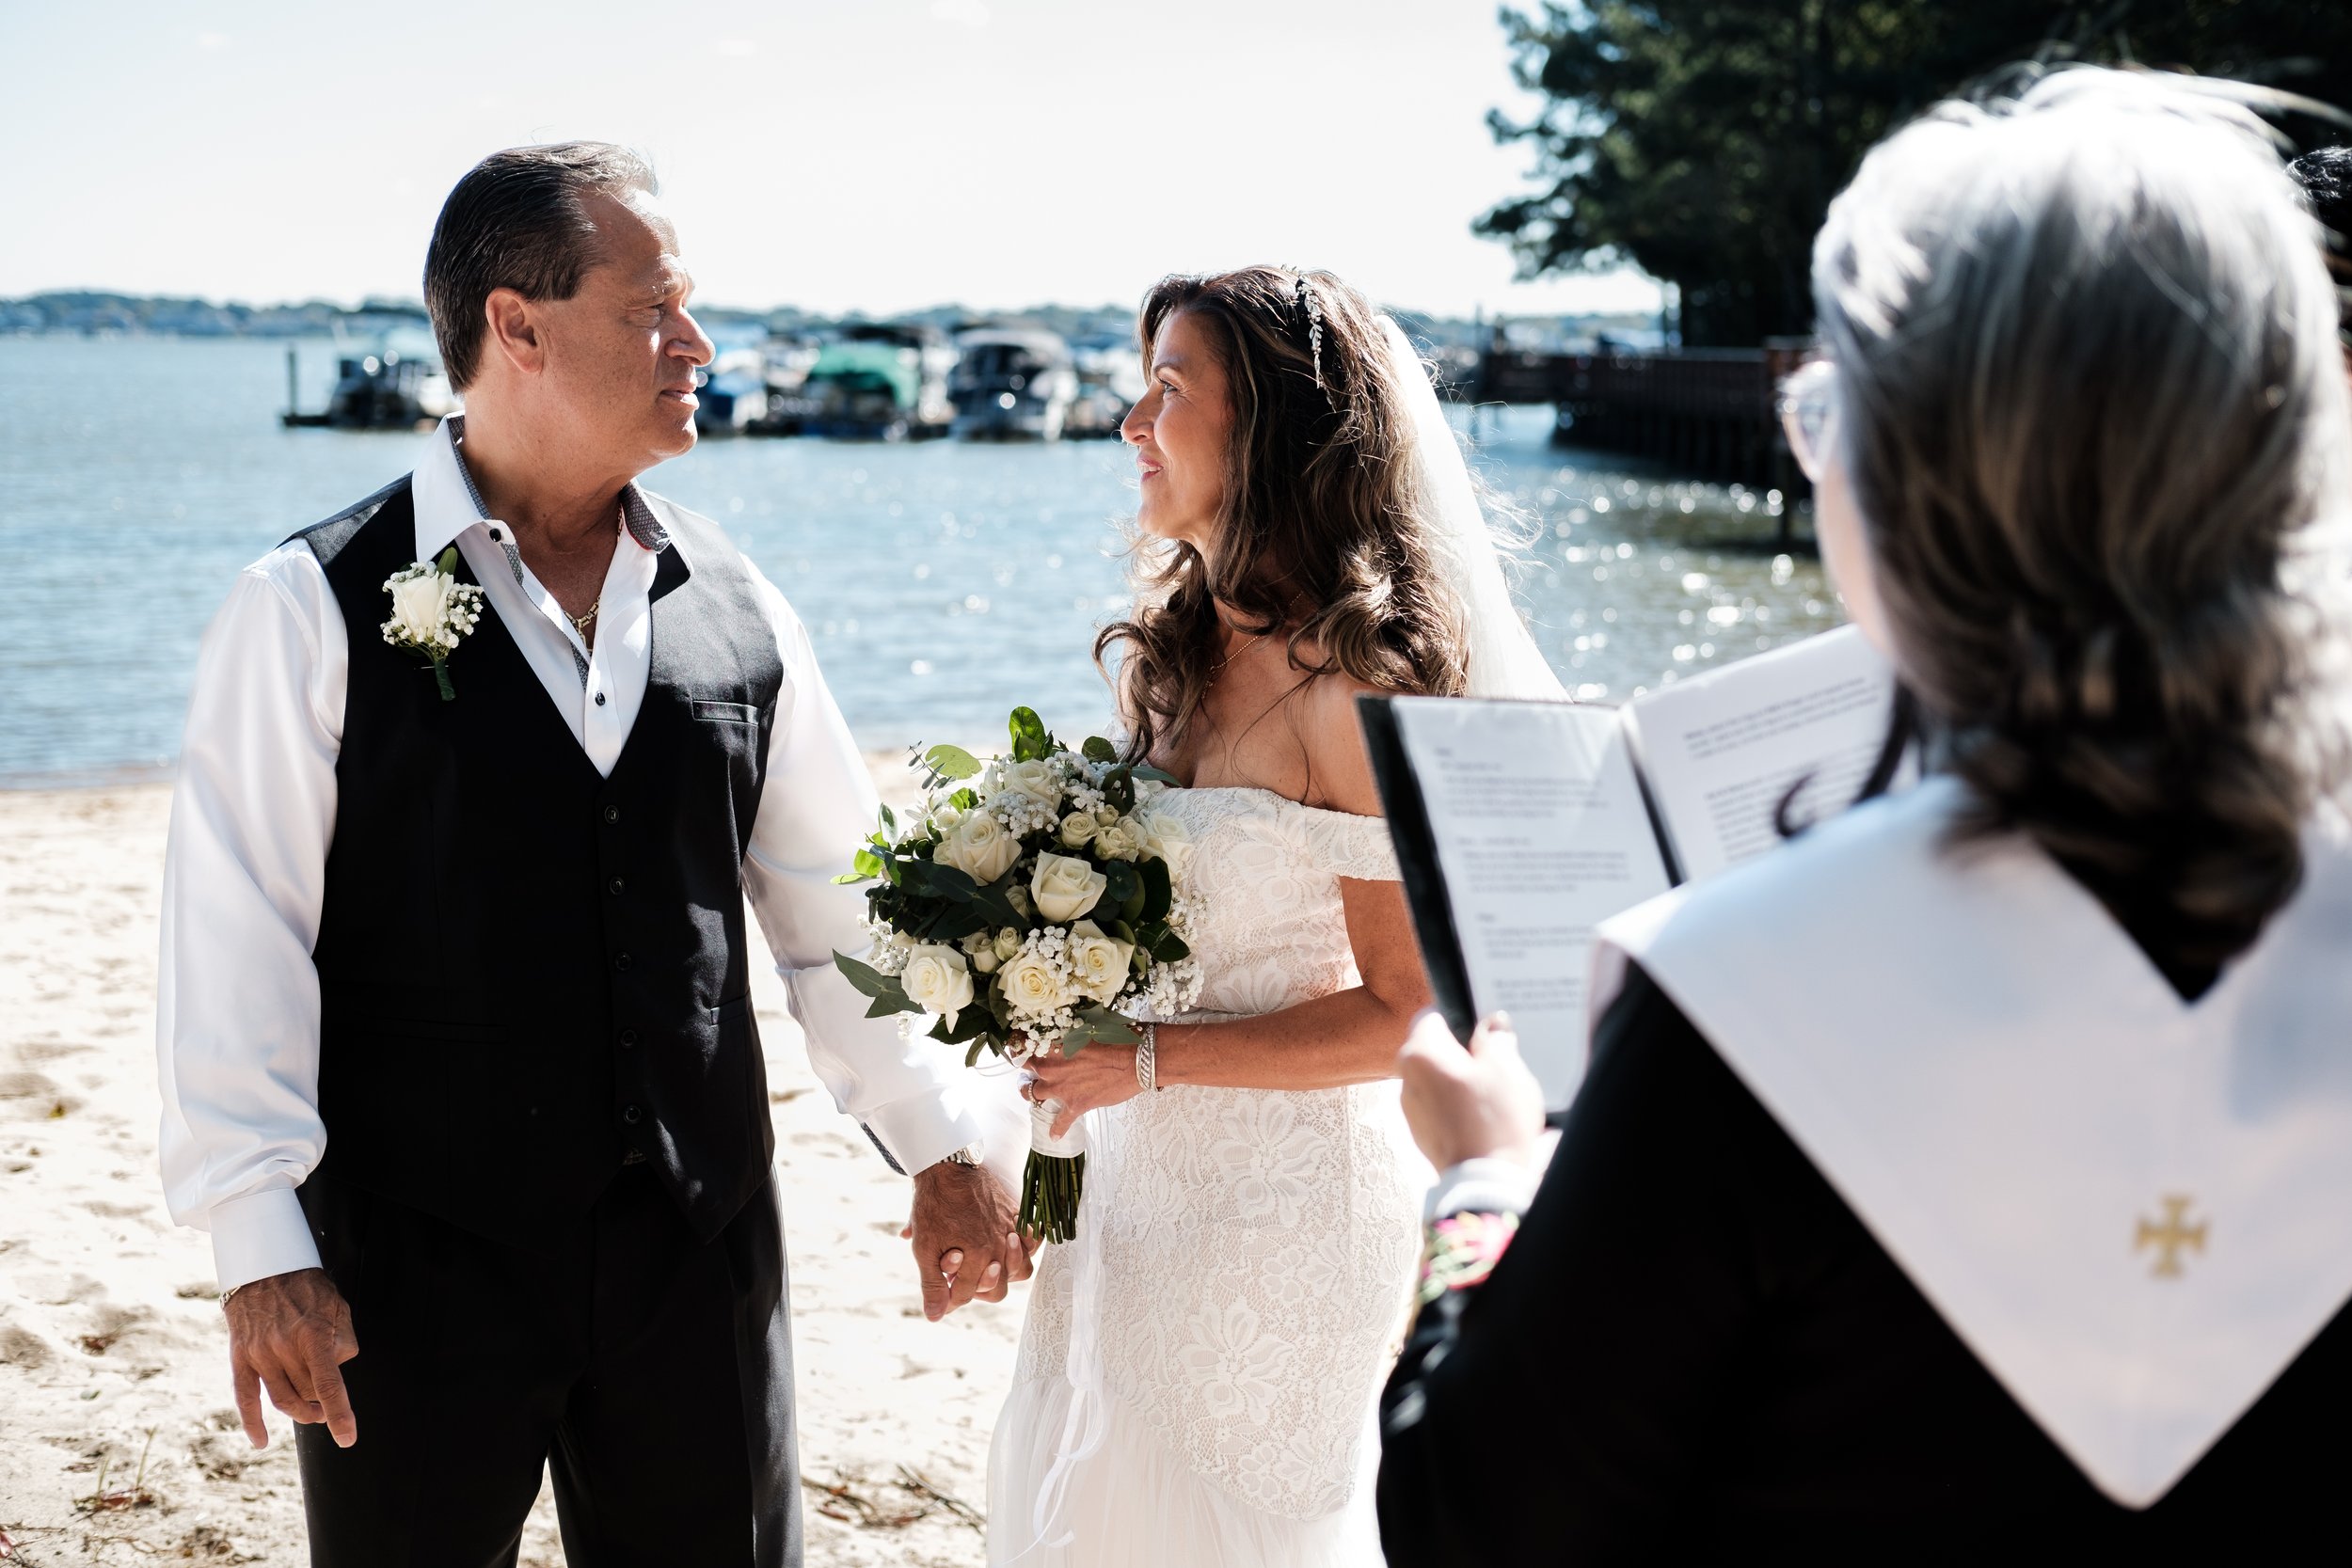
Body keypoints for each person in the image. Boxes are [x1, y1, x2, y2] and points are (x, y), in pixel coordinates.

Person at [1377, 67, 2352, 1560]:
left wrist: (1486, 1180)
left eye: (1831, 412)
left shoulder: (1745, 1000)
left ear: (1923, 482)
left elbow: (1485, 1523)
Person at [156, 142, 1027, 1568]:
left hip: (700, 1249)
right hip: (410, 1269)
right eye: (657, 310)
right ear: (519, 327)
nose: (698, 347)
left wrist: (940, 1142)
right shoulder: (304, 606)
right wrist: (260, 1241)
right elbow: (234, 938)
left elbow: (834, 913)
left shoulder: (742, 604)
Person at [986, 266, 1564, 1566]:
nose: (1133, 421)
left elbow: (1409, 1012)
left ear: (1273, 428)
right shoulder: (1178, 651)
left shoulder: (1352, 679)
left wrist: (1144, 1062)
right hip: (1132, 1201)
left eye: (1171, 389)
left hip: (1281, 1228)